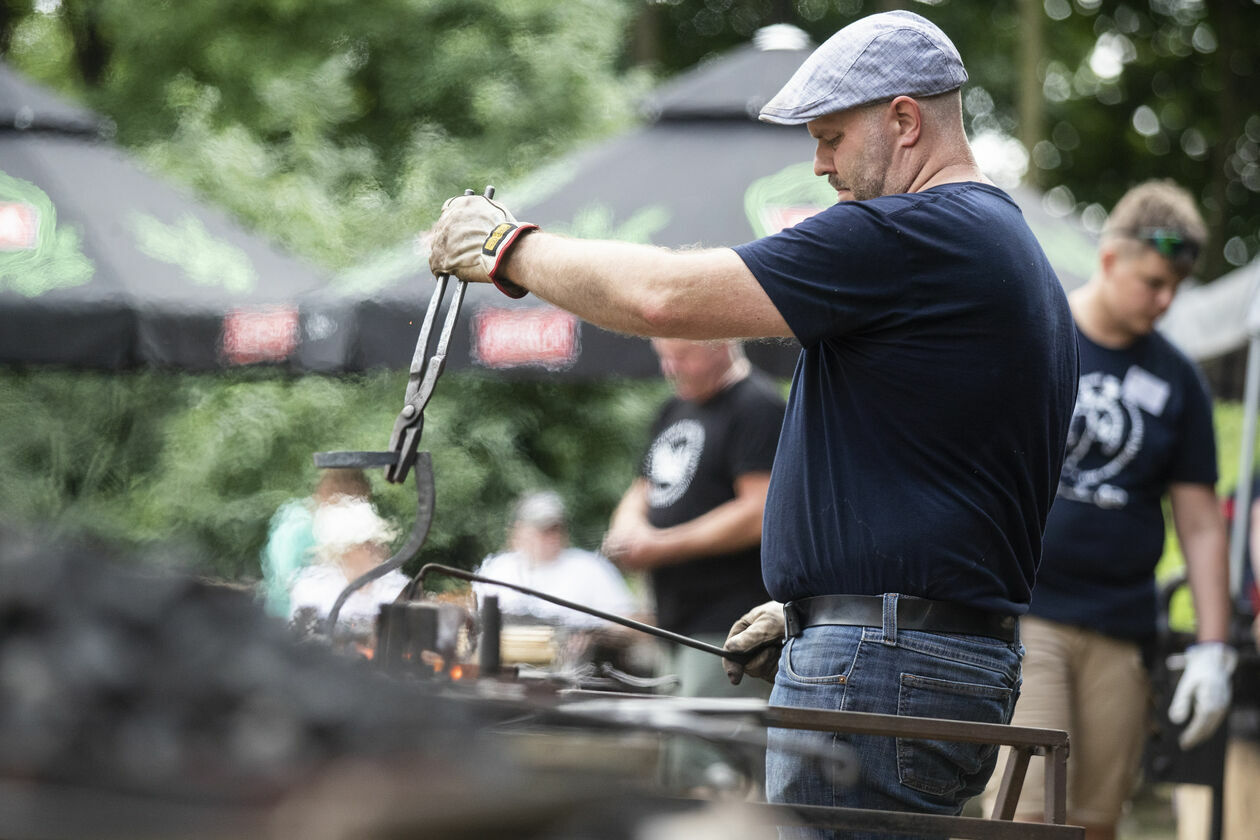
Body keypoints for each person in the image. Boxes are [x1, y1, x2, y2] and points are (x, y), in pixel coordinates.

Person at [428, 10, 1079, 835]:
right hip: (917, 651)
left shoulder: (914, 233)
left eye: (832, 137)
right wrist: (816, 608)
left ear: (905, 121)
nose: (819, 164)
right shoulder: (1010, 253)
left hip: (887, 664)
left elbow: (665, 297)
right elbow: (957, 480)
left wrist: (510, 248)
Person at [982, 181, 1235, 840]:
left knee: (1096, 820)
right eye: (1153, 281)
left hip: (1122, 629)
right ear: (1110, 259)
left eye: (1176, 286)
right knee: (1028, 814)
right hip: (1026, 616)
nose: (1165, 300)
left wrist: (1214, 646)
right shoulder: (1036, 338)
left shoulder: (1178, 380)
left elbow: (1201, 523)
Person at [601, 337, 785, 790]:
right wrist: (626, 535)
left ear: (720, 345)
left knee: (706, 770)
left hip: (729, 625)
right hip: (676, 620)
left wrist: (659, 546)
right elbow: (641, 490)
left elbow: (759, 511)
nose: (668, 368)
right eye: (663, 355)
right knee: (679, 762)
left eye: (681, 356)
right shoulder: (673, 409)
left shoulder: (757, 405)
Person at [473, 489, 639, 628]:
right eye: (541, 529)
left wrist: (594, 635)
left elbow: (632, 623)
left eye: (555, 529)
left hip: (576, 665)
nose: (549, 537)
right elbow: (475, 619)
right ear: (518, 531)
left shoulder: (590, 567)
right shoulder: (497, 569)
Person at [288, 496, 407, 640]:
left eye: (374, 543)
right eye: (363, 545)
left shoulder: (394, 585)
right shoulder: (311, 589)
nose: (373, 550)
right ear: (340, 553)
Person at [260, 468, 372, 617]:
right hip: (289, 619)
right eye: (357, 499)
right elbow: (288, 582)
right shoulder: (300, 526)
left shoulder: (333, 524)